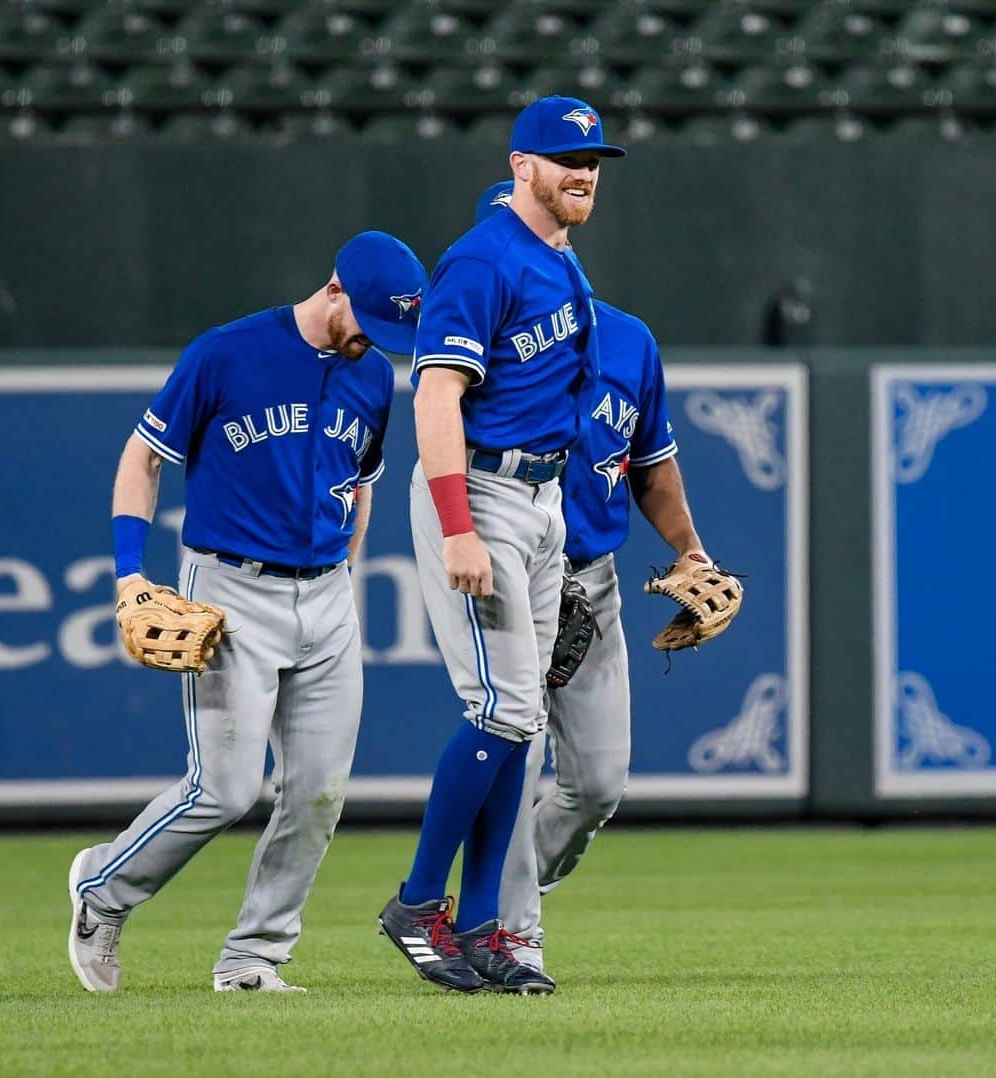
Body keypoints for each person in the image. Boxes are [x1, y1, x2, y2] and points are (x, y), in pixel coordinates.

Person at [67, 231, 427, 994]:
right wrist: (130, 578)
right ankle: (102, 888)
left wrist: (346, 570)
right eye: (367, 321)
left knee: (319, 793)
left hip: (326, 593)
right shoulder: (225, 353)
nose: (374, 342)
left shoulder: (374, 379)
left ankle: (252, 959)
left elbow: (360, 480)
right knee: (224, 788)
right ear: (334, 290)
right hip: (230, 589)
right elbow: (143, 459)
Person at [377, 97, 625, 995]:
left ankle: (481, 925)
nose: (584, 171)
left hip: (542, 497)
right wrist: (457, 525)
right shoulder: (483, 258)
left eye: (594, 157)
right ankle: (416, 904)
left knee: (517, 720)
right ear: (522, 164)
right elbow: (436, 395)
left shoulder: (560, 258)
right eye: (566, 157)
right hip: (481, 489)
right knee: (502, 709)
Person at [474, 181, 710, 979]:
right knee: (519, 751)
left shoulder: (628, 342)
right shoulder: (480, 346)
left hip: (593, 578)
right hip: (510, 566)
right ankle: (510, 930)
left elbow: (651, 464)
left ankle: (487, 903)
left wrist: (689, 549)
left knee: (598, 783)